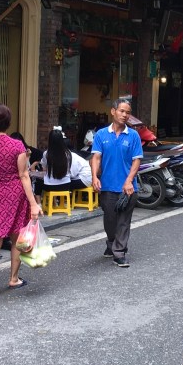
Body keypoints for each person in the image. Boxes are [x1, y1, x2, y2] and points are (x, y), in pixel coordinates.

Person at [0, 104, 41, 301]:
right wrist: (33, 203)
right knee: (17, 238)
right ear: (7, 122)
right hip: (15, 194)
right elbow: (23, 175)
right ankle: (13, 278)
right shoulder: (16, 146)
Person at [91, 98, 142, 268]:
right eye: (122, 111)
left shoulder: (133, 135)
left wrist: (129, 180)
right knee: (109, 221)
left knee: (123, 222)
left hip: (128, 188)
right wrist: (94, 177)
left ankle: (119, 253)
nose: (125, 115)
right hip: (107, 186)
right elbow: (96, 157)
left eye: (128, 112)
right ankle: (111, 243)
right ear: (113, 111)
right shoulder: (101, 134)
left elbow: (136, 161)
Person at [35, 128, 92, 195]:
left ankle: (38, 203)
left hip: (49, 187)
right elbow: (72, 173)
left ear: (49, 141)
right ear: (62, 140)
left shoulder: (46, 154)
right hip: (65, 186)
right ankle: (59, 201)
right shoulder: (69, 154)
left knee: (38, 182)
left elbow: (44, 168)